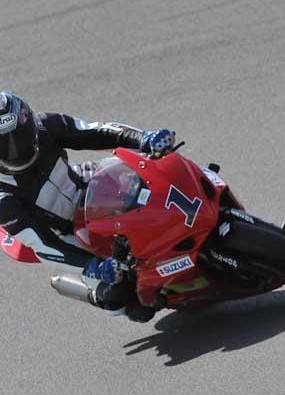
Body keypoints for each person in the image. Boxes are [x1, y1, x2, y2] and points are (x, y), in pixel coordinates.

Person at [0, 91, 175, 318]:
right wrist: (92, 265)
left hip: (89, 184)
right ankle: (93, 292)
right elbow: (44, 245)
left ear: (29, 123)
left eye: (19, 136)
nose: (16, 149)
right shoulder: (3, 198)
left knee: (158, 170)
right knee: (125, 299)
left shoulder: (46, 126)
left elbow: (95, 131)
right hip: (67, 231)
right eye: (3, 145)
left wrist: (143, 138)